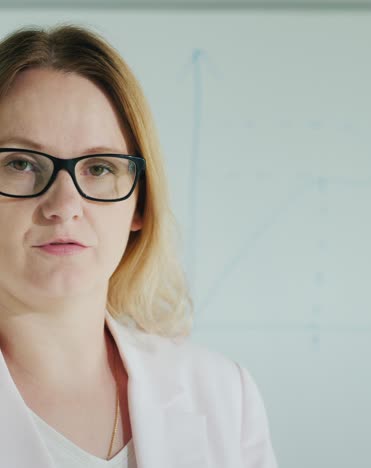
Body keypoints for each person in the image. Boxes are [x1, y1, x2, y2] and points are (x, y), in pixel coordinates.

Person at [0, 24, 278, 468]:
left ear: (139, 205)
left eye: (100, 168)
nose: (64, 205)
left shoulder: (226, 396)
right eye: (20, 163)